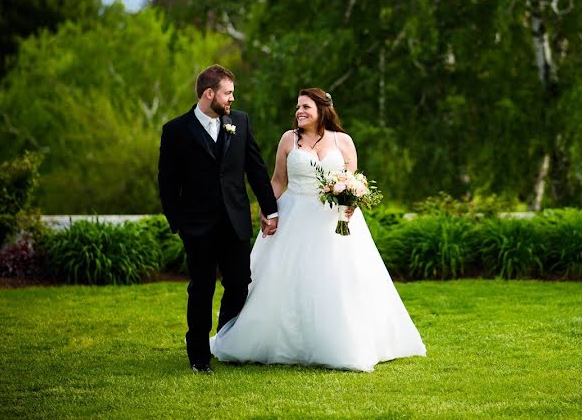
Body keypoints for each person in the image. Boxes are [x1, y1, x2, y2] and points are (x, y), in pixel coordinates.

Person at [210, 88, 426, 372]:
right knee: (286, 279)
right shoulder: (289, 139)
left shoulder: (343, 141)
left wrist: (352, 202)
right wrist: (266, 208)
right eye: (297, 107)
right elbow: (277, 181)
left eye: (306, 107)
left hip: (334, 222)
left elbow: (353, 181)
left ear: (322, 109)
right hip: (293, 217)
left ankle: (343, 343)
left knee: (339, 280)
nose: (299, 112)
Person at [158, 64, 279, 373]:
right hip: (197, 227)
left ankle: (226, 341)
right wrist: (179, 224)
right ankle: (199, 357)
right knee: (201, 290)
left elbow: (256, 169)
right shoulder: (175, 130)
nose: (232, 99)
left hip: (235, 222)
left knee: (239, 283)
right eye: (228, 93)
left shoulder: (240, 122)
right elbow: (168, 182)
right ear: (209, 94)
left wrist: (271, 208)